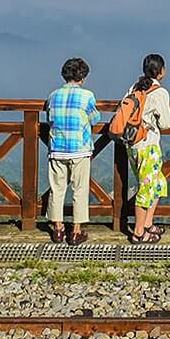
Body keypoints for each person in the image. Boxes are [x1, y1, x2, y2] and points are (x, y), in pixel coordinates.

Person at [43, 58, 99, 246]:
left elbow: (49, 119)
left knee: (57, 189)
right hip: (79, 149)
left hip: (57, 148)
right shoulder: (87, 96)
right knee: (79, 190)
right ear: (82, 76)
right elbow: (94, 119)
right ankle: (75, 232)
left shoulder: (53, 96)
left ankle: (58, 229)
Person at [126, 53, 170, 244]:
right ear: (161, 72)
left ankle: (147, 223)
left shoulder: (134, 87)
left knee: (158, 183)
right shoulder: (160, 92)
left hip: (132, 144)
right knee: (146, 188)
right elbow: (166, 123)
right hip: (149, 146)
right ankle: (139, 232)